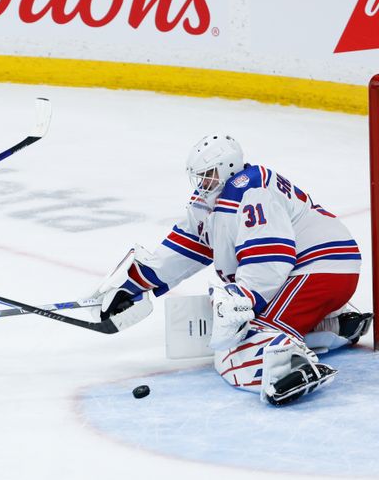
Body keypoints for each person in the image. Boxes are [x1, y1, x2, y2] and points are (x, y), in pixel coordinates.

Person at [92, 134, 372, 405]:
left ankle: (290, 369)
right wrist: (134, 283)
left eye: (209, 174)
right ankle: (338, 325)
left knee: (236, 349)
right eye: (200, 176)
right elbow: (188, 247)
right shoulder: (215, 197)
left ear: (228, 168)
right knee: (241, 327)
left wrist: (242, 297)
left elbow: (271, 257)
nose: (203, 182)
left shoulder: (251, 190)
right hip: (322, 269)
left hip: (320, 269)